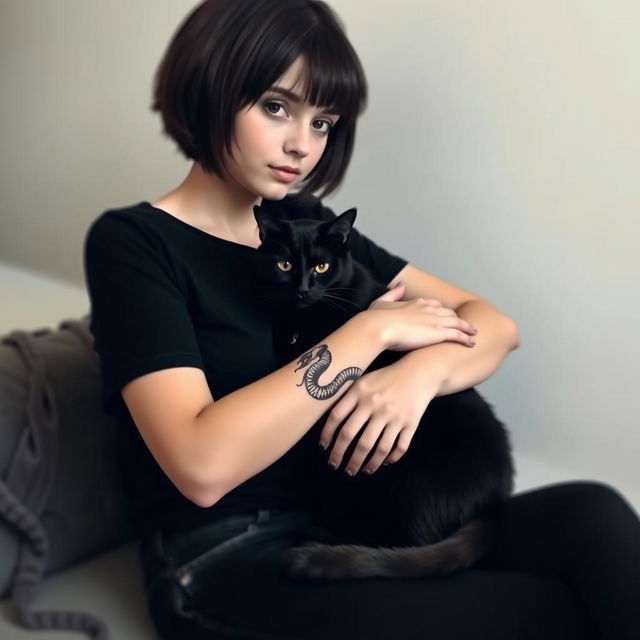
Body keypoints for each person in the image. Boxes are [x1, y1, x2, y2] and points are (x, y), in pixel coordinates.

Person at [83, 1, 640, 638]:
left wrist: (420, 374)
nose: (302, 144)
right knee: (550, 612)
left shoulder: (309, 226)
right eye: (276, 107)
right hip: (231, 553)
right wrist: (370, 331)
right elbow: (202, 467)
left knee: (594, 516)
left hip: (356, 514)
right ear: (210, 85)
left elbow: (494, 324)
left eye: (322, 122)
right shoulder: (135, 243)